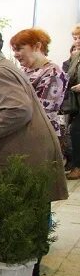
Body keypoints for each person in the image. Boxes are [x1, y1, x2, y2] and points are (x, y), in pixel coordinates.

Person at [0, 24, 69, 276]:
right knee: (32, 213)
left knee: (25, 215)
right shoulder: (2, 68)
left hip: (25, 153)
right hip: (28, 149)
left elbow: (17, 111)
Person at [10, 27, 67, 141]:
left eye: (19, 49)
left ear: (37, 46)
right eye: (14, 50)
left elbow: (42, 110)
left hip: (41, 134)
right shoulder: (24, 70)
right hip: (22, 130)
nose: (15, 54)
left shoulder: (54, 73)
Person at [63, 25, 80, 178]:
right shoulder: (75, 58)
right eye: (75, 38)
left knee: (75, 130)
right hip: (77, 104)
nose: (77, 41)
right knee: (74, 130)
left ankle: (77, 167)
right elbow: (68, 77)